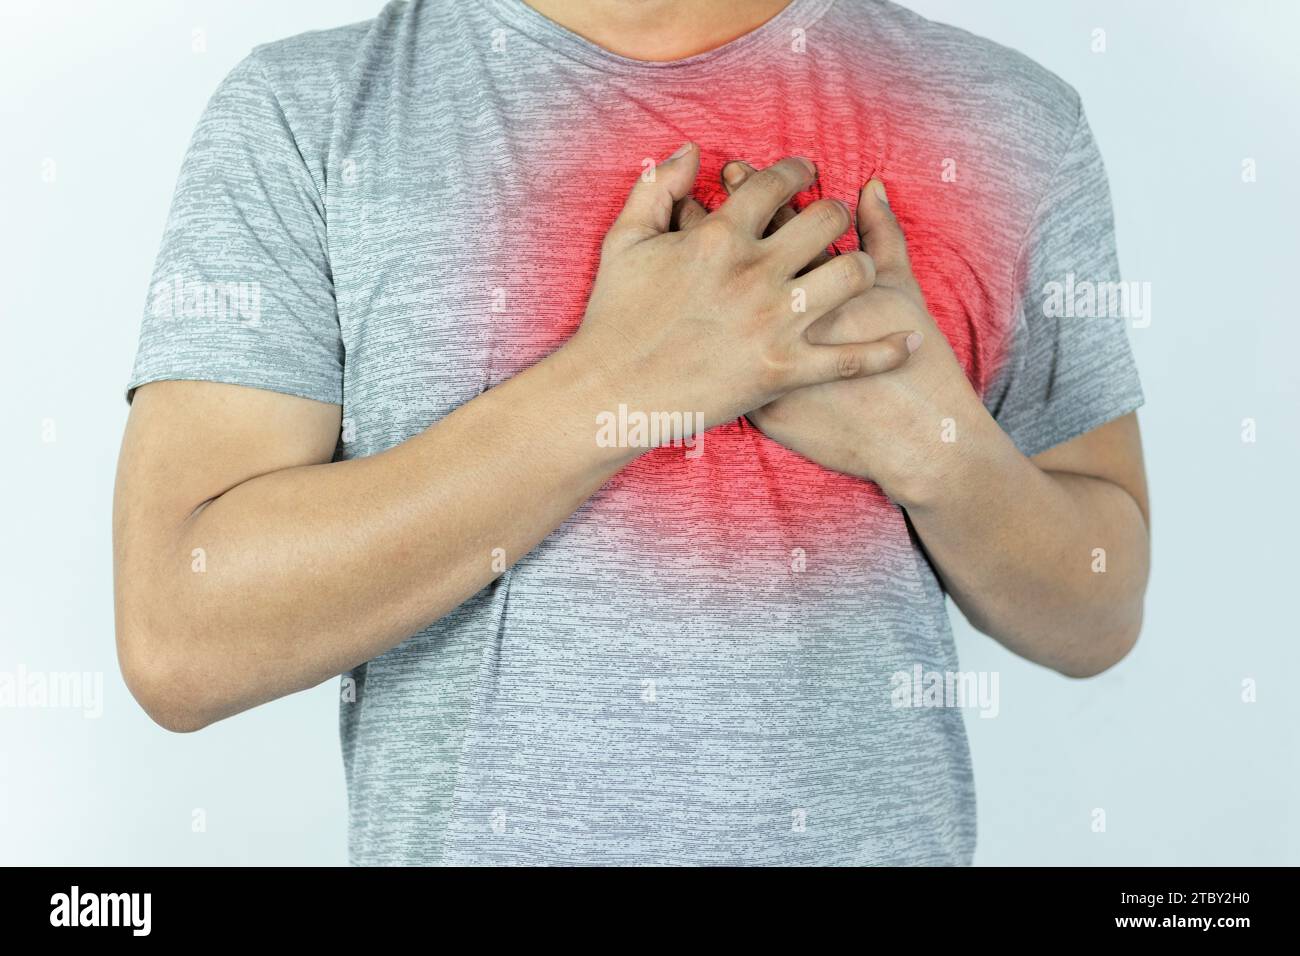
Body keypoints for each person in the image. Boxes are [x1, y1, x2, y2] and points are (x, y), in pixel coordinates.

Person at [114, 0, 1150, 865]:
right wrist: (618, 382)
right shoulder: (307, 111)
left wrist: (931, 442)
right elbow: (180, 635)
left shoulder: (1008, 120)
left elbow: (1100, 605)